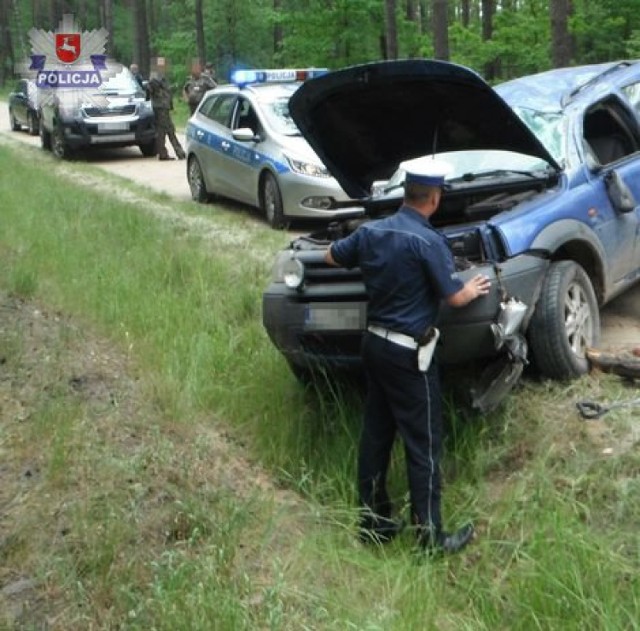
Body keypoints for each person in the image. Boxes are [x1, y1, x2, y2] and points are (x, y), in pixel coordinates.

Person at [324, 156, 491, 554]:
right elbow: (454, 296)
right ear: (434, 198)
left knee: (376, 436)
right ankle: (431, 538)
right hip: (407, 356)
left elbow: (331, 256)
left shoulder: (371, 232)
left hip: (374, 346)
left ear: (406, 194)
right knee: (423, 443)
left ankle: (373, 524)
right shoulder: (429, 241)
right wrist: (472, 288)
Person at [147, 73, 186, 161]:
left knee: (163, 131)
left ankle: (165, 153)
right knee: (168, 130)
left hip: (163, 107)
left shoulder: (163, 79)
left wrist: (171, 107)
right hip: (160, 108)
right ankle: (178, 152)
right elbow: (150, 90)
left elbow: (167, 94)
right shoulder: (155, 79)